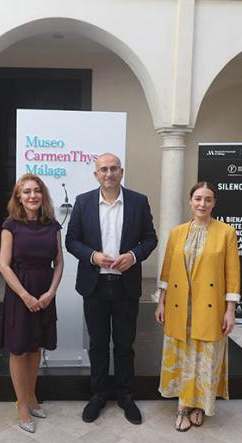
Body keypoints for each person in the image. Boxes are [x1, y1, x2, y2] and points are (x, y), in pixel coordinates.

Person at [66, 153, 157, 425]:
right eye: (103, 169)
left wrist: (134, 255)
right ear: (96, 174)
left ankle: (126, 396)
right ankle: (98, 395)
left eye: (113, 168)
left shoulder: (138, 202)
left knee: (124, 344)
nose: (109, 173)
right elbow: (72, 241)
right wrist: (92, 256)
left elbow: (150, 238)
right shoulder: (83, 202)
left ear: (121, 172)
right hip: (94, 285)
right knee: (97, 343)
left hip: (125, 285)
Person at [155, 181, 240, 431]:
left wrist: (230, 310)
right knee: (184, 355)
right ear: (190, 201)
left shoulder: (226, 233)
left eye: (208, 199)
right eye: (198, 198)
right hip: (180, 306)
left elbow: (232, 274)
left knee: (204, 356)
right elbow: (167, 269)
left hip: (209, 307)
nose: (202, 203)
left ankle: (199, 405)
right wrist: (161, 302)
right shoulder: (177, 232)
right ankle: (183, 405)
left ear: (214, 203)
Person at [0, 174, 64, 433]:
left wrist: (51, 292)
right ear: (18, 197)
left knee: (36, 346)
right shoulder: (10, 225)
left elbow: (59, 262)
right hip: (20, 292)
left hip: (45, 290)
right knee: (19, 349)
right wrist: (25, 295)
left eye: (36, 191)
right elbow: (3, 265)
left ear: (43, 195)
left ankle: (32, 395)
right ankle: (22, 405)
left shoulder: (53, 225)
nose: (32, 195)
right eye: (26, 192)